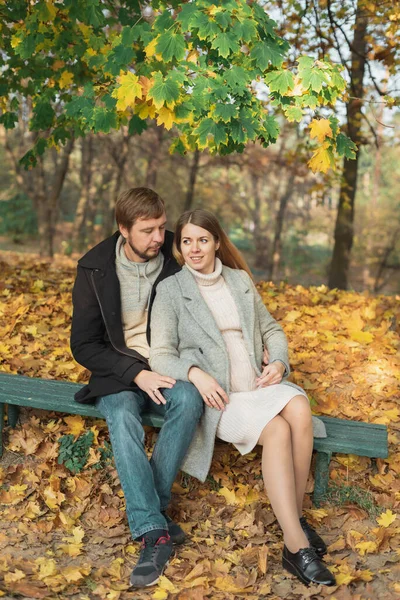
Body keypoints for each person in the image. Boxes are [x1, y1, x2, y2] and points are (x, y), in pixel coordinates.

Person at [149, 209, 336, 587]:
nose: (195, 248)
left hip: (257, 384)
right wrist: (195, 374)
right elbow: (161, 353)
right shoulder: (171, 290)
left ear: (217, 242)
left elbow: (271, 328)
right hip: (223, 397)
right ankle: (296, 544)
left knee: (299, 408)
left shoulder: (239, 281)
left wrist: (279, 362)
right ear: (180, 247)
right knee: (279, 431)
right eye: (187, 241)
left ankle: (293, 523)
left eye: (203, 240)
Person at [70, 188, 203, 588]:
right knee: (123, 413)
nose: (159, 238)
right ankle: (154, 532)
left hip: (163, 363)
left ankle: (151, 513)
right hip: (115, 368)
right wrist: (135, 374)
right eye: (148, 231)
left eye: (163, 227)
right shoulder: (94, 268)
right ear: (123, 229)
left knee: (190, 397)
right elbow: (83, 345)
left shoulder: (173, 267)